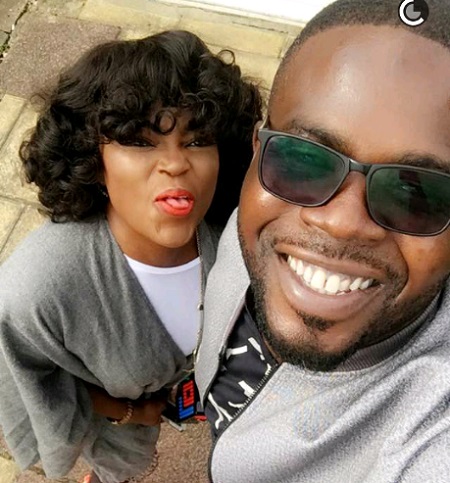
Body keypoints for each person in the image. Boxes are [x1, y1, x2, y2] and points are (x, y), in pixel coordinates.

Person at [196, 0, 450, 481]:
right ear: (258, 152)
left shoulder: (428, 439)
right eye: (304, 160)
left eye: (416, 193)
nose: (342, 223)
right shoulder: (255, 221)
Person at [0, 30, 262, 483]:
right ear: (92, 160)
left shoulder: (236, 236)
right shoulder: (34, 290)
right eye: (140, 142)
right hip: (117, 430)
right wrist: (130, 412)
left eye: (197, 139)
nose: (175, 163)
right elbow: (29, 384)